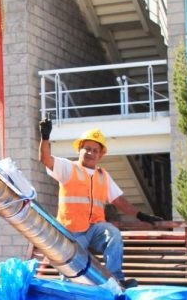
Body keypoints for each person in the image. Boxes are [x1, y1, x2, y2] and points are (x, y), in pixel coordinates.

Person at [38, 118, 163, 287]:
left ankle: (115, 281)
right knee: (72, 269)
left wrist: (141, 215)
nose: (91, 153)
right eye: (87, 148)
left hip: (95, 229)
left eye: (95, 150)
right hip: (72, 231)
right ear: (79, 149)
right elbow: (45, 159)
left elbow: (119, 200)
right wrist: (45, 137)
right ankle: (70, 292)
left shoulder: (103, 175)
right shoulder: (68, 168)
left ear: (100, 155)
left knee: (113, 234)